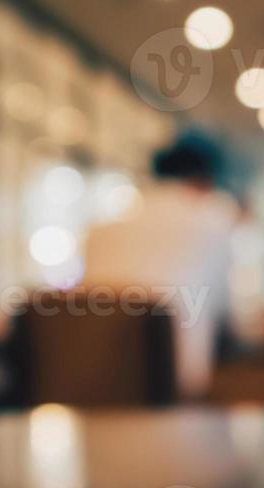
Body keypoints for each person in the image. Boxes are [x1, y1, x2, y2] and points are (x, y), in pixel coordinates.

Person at [83, 133, 238, 400]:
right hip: (176, 385)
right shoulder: (213, 222)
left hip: (87, 378)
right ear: (207, 181)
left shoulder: (99, 229)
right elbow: (229, 316)